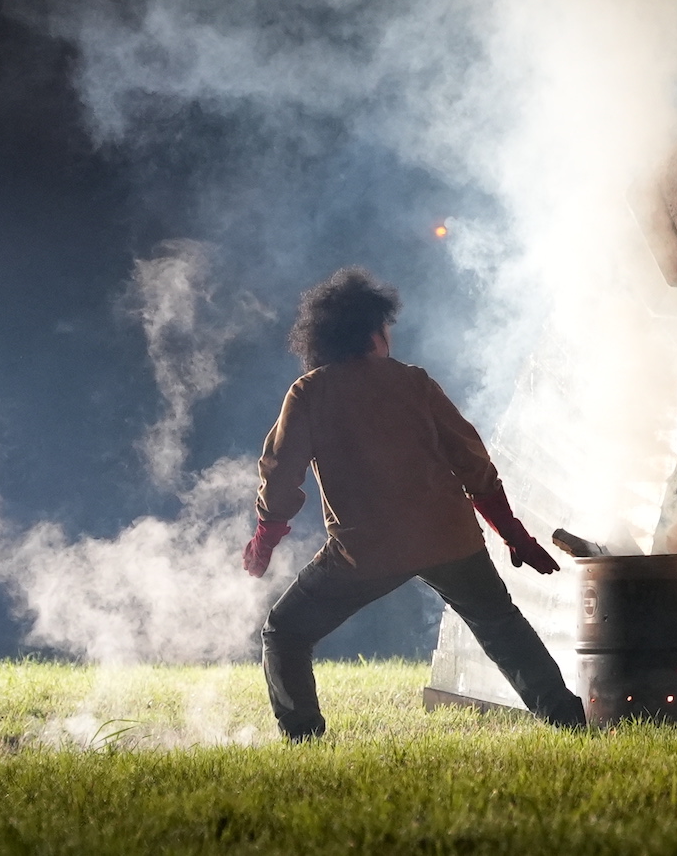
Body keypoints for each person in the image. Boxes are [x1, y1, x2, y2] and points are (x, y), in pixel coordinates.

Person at [242, 267, 586, 738]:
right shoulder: (414, 382)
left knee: (284, 634)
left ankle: (303, 739)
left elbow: (281, 479)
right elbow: (473, 464)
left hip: (365, 551)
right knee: (502, 628)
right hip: (449, 538)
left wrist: (265, 540)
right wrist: (515, 536)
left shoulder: (310, 392)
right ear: (373, 331)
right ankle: (569, 722)